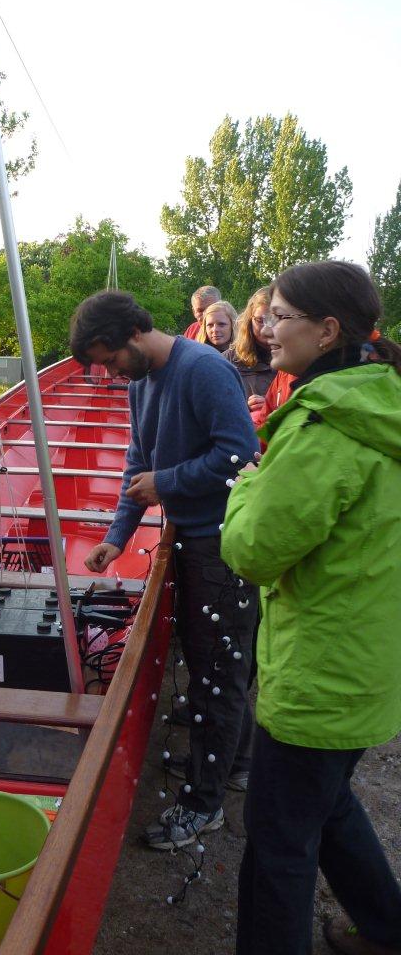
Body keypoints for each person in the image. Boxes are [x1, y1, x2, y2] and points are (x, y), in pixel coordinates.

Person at [221, 261, 401, 955]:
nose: (265, 328)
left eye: (280, 316)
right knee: (326, 806)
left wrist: (247, 485)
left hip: (319, 674)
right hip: (367, 659)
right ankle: (386, 930)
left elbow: (253, 550)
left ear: (327, 332)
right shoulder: (382, 402)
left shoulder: (325, 425)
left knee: (277, 842)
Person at [70, 290, 259, 849]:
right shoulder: (140, 381)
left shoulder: (204, 369)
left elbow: (238, 452)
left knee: (217, 673)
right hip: (188, 538)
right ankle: (234, 762)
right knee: (210, 665)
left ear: (133, 333)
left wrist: (167, 483)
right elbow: (139, 460)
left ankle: (204, 805)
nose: (111, 372)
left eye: (110, 359)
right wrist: (116, 537)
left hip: (222, 543)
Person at [224, 287, 276, 402]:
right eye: (260, 321)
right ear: (249, 320)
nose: (267, 329)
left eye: (274, 320)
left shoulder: (297, 359)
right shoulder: (227, 361)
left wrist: (271, 406)